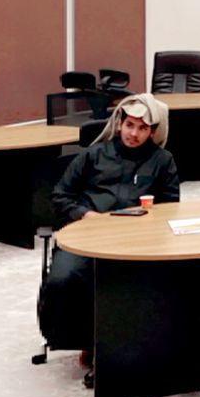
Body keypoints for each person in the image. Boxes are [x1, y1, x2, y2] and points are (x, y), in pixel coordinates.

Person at [37, 94, 180, 372]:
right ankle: (83, 339)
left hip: (137, 241)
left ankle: (134, 344)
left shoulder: (163, 161)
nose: (133, 134)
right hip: (86, 235)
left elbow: (171, 208)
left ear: (152, 131)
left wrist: (150, 219)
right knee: (64, 279)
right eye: (129, 125)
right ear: (119, 124)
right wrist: (85, 215)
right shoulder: (92, 155)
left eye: (142, 128)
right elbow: (60, 195)